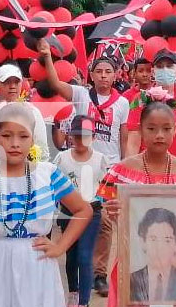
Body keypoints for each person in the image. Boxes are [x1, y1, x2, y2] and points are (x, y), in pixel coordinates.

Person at [0, 103, 92, 307]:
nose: (15, 143)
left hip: (35, 264)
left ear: (33, 139)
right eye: (6, 136)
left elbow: (83, 209)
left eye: (23, 136)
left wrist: (60, 247)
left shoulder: (48, 174)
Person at [97, 101, 176, 307]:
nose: (159, 135)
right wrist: (113, 212)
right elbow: (108, 212)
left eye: (166, 129)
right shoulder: (123, 170)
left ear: (175, 130)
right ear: (140, 130)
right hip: (130, 262)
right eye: (151, 128)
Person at [38, 38, 130, 296]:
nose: (103, 76)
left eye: (108, 71)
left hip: (106, 168)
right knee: (74, 225)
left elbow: (123, 136)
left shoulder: (122, 104)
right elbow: (55, 84)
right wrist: (47, 57)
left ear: (115, 75)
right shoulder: (80, 94)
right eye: (99, 71)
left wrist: (122, 168)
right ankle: (76, 285)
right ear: (91, 74)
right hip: (77, 169)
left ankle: (98, 275)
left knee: (102, 226)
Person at [54, 115, 110, 307]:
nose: (80, 141)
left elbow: (107, 187)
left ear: (93, 137)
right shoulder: (62, 158)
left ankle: (84, 302)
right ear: (70, 136)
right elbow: (53, 184)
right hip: (68, 212)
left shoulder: (100, 160)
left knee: (85, 256)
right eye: (76, 136)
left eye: (85, 136)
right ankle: (74, 292)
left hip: (91, 211)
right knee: (72, 254)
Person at [130, 208, 176, 303]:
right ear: (143, 242)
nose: (160, 247)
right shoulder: (131, 281)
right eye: (153, 239)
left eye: (167, 240)